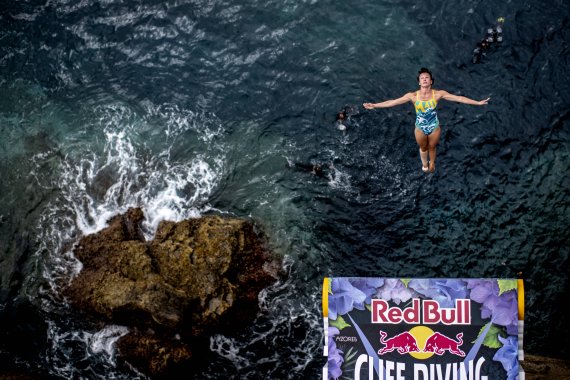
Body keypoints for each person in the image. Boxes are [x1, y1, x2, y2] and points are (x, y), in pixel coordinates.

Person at [363, 68, 490, 172]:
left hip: (434, 126)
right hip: (420, 127)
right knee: (423, 147)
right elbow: (393, 102)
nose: (424, 79)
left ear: (431, 81)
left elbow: (459, 98)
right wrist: (375, 105)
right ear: (419, 82)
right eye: (422, 78)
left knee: (432, 147)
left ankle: (432, 162)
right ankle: (424, 164)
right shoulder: (412, 96)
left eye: (426, 77)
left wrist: (477, 103)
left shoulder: (438, 94)